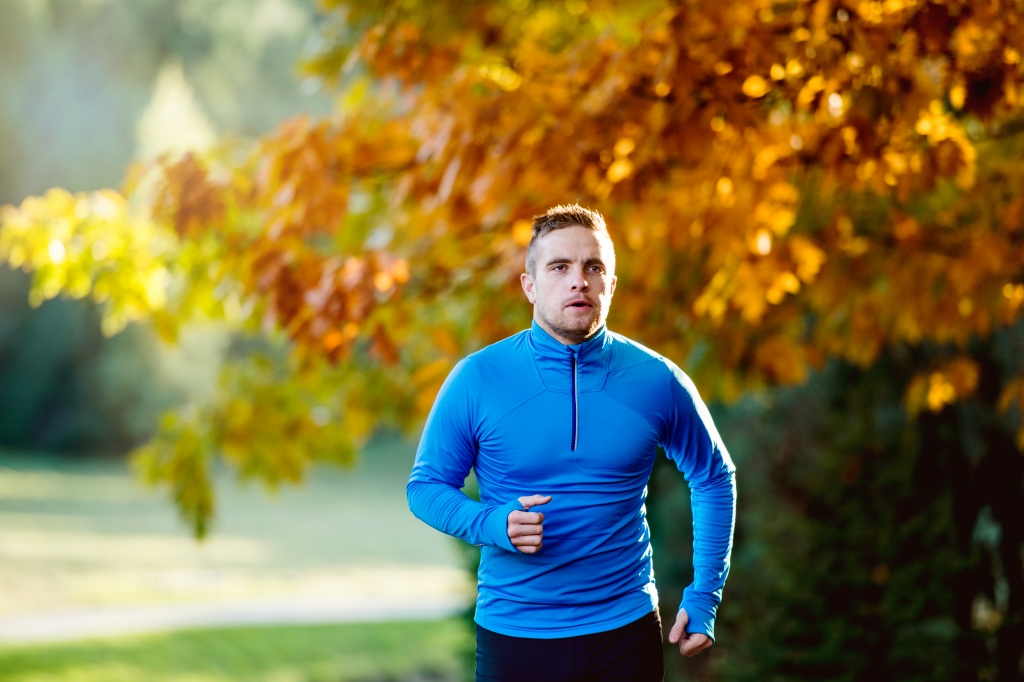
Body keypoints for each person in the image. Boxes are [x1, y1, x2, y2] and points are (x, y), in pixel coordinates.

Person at [407, 204, 736, 681]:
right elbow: (426, 487)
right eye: (559, 267)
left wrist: (704, 594)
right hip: (514, 636)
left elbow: (713, 477)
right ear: (530, 285)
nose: (578, 280)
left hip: (625, 633)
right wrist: (490, 523)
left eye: (593, 267)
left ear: (611, 285)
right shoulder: (479, 378)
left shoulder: (656, 379)